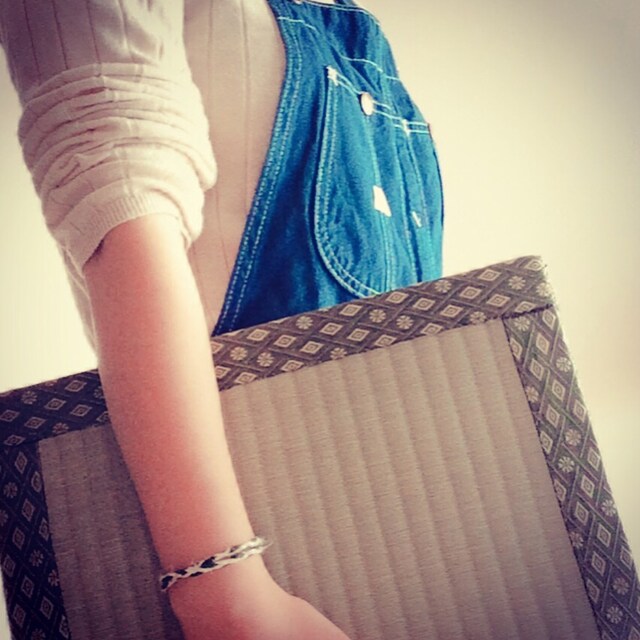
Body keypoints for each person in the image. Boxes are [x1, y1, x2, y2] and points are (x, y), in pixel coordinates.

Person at [0, 0, 443, 637]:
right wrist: (226, 597)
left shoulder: (356, 29)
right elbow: (120, 198)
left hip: (407, 556)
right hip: (257, 589)